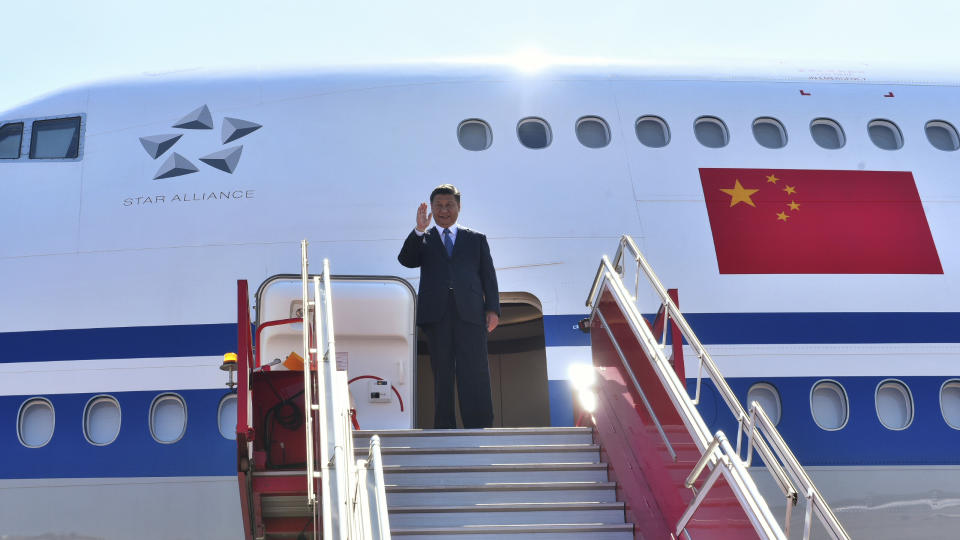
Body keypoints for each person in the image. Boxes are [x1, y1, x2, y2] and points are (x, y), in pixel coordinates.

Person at [398, 184, 500, 429]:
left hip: (471, 314)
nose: (444, 210)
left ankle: (480, 426)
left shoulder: (476, 239)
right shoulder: (424, 237)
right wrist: (419, 229)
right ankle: (445, 427)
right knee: (442, 373)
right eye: (438, 206)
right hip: (437, 315)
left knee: (474, 372)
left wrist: (493, 310)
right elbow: (406, 260)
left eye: (449, 205)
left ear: (459, 207)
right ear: (431, 208)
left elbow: (489, 276)